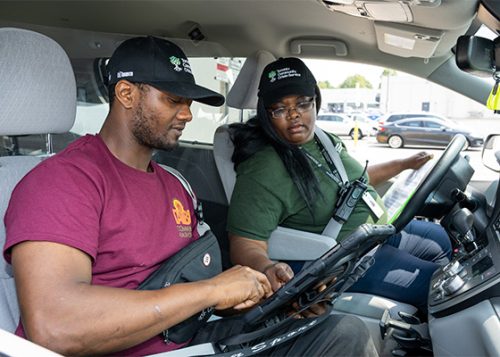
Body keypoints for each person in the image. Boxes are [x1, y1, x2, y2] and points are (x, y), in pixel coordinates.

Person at [3, 37, 378, 356]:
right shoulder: (64, 181)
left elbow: (193, 288)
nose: (186, 114)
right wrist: (211, 290)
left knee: (343, 333)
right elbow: (54, 325)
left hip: (187, 339)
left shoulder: (173, 183)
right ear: (126, 93)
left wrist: (264, 287)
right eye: (173, 100)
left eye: (189, 102)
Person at [227, 57, 452, 312]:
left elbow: (351, 182)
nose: (293, 115)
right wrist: (267, 268)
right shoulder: (264, 168)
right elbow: (244, 244)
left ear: (316, 100)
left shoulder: (322, 138)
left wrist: (404, 163)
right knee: (443, 286)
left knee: (441, 239)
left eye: (303, 103)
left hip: (375, 235)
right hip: (342, 258)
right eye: (280, 109)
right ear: (267, 114)